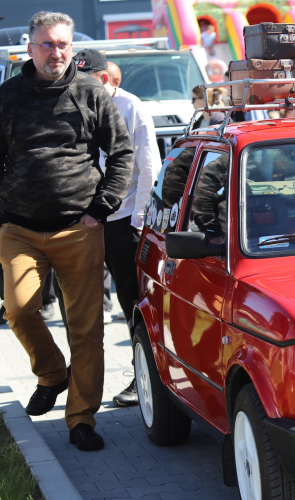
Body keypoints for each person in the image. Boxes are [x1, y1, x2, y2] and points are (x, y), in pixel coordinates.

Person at [0, 11, 133, 450]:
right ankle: (53, 373)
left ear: (71, 48)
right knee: (18, 309)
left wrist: (101, 208)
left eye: (62, 45)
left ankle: (81, 420)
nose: (56, 52)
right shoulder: (9, 95)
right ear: (30, 48)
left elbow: (121, 154)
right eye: (46, 44)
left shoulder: (90, 92)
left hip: (79, 227)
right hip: (18, 226)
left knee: (86, 327)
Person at [73, 49, 159, 407]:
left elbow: (148, 167)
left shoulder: (131, 107)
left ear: (105, 80)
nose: (75, 88)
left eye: (85, 82)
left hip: (122, 221)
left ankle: (143, 379)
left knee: (131, 301)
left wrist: (138, 223)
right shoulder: (76, 104)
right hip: (84, 218)